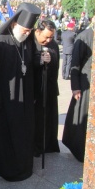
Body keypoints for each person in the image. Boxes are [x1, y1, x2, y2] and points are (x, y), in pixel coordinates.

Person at [0, 2, 41, 181]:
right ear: (14, 24)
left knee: (24, 133)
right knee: (7, 137)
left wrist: (43, 60)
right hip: (5, 101)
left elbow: (31, 65)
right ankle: (7, 169)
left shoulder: (27, 42)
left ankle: (24, 166)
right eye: (25, 30)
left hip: (25, 101)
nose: (27, 33)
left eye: (30, 31)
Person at [62, 18, 94, 162]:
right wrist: (75, 87)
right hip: (84, 84)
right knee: (80, 120)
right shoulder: (85, 36)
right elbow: (75, 64)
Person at [32, 20, 60, 157]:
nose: (48, 40)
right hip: (34, 91)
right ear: (38, 31)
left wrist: (51, 59)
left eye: (51, 37)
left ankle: (48, 145)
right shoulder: (30, 42)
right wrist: (40, 61)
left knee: (49, 119)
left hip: (49, 89)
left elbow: (56, 63)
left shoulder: (52, 44)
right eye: (46, 36)